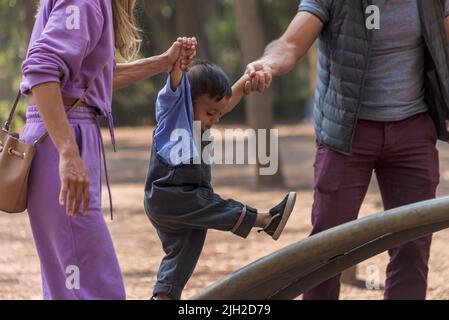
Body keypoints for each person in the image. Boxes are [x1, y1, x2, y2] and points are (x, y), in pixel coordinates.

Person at [245, 0, 449, 300]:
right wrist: (268, 64)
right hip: (347, 132)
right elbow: (289, 44)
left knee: (413, 246)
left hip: (412, 130)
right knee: (327, 247)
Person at [19, 0, 196, 299]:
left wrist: (163, 62)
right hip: (62, 135)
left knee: (72, 282)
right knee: (95, 285)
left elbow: (98, 78)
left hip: (66, 132)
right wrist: (68, 153)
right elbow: (41, 68)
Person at [144, 51, 297, 300]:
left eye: (218, 115)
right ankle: (265, 220)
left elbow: (224, 102)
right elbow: (175, 87)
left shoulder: (201, 123)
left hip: (184, 202)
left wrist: (243, 85)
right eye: (210, 114)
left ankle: (164, 297)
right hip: (170, 197)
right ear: (186, 100)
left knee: (182, 257)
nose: (215, 120)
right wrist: (180, 62)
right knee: (211, 204)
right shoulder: (174, 116)